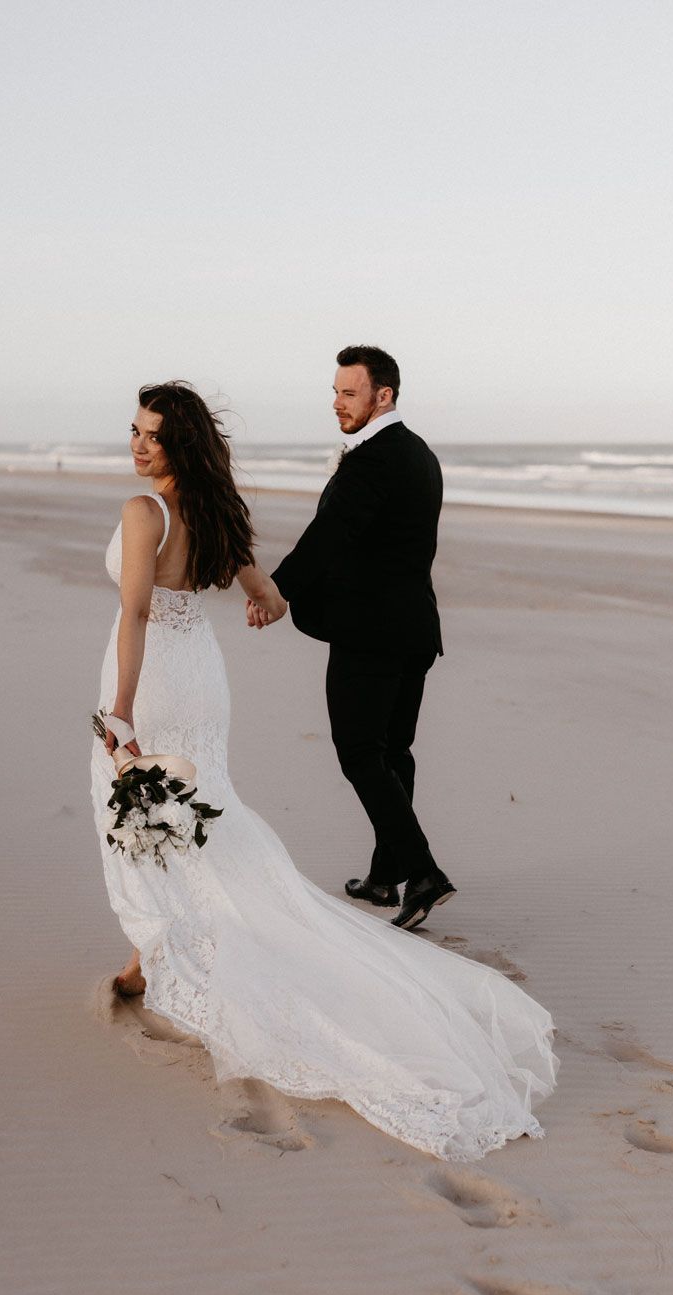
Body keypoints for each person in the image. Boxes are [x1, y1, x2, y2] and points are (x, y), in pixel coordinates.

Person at [90, 380, 557, 1160]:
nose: (137, 446)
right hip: (201, 673)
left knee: (143, 816)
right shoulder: (212, 509)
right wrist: (270, 603)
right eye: (133, 431)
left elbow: (135, 612)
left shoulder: (146, 513)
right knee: (193, 814)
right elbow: (260, 589)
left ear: (179, 449)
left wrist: (123, 711)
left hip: (155, 678)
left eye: (152, 438)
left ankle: (150, 956)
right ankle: (144, 959)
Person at [255, 346, 452, 931]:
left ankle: (422, 873)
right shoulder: (420, 454)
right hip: (415, 628)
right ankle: (385, 876)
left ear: (382, 396)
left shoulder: (373, 459)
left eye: (348, 392)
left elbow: (329, 535)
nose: (336, 403)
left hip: (372, 634)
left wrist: (275, 590)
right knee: (393, 752)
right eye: (335, 391)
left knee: (360, 752)